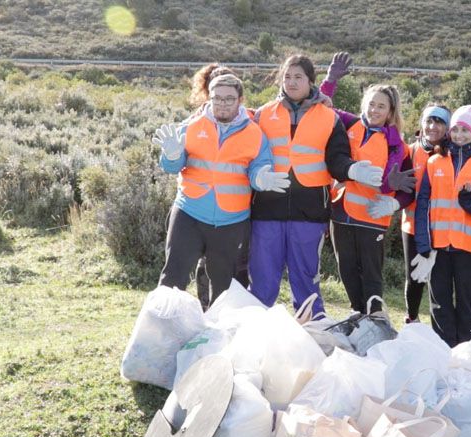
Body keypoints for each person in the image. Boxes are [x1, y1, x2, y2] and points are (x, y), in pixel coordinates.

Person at [249, 54, 383, 318]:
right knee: (263, 280)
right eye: (287, 76)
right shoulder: (263, 114)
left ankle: (312, 333)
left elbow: (337, 159)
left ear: (311, 81)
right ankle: (256, 334)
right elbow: (249, 153)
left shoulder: (328, 117)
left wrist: (352, 170)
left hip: (309, 212)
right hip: (266, 209)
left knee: (305, 280)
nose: (292, 82)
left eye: (298, 77)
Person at [152, 73, 290, 308]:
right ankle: (163, 331)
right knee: (172, 278)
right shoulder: (193, 126)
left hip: (231, 221)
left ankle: (218, 338)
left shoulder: (254, 134)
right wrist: (172, 156)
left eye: (229, 99)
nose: (222, 104)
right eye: (217, 98)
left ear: (240, 100)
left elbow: (258, 168)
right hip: (189, 213)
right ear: (210, 98)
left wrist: (262, 178)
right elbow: (173, 166)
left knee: (225, 290)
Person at [319, 55, 414, 315]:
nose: (374, 110)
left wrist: (395, 202)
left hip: (373, 218)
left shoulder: (399, 146)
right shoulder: (349, 124)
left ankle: (374, 318)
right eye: (371, 104)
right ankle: (356, 314)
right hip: (342, 214)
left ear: (391, 112)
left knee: (371, 274)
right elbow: (321, 106)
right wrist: (329, 81)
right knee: (346, 269)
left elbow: (410, 188)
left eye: (381, 106)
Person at [413, 105, 471, 347]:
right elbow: (423, 205)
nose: (460, 135)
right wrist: (423, 245)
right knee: (439, 302)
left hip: (469, 247)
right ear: (449, 133)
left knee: (466, 302)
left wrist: (468, 201)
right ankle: (444, 351)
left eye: (465, 130)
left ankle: (466, 351)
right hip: (438, 246)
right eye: (456, 130)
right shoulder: (434, 162)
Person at [186, 64, 249, 307]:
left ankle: (232, 308)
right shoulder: (196, 120)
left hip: (235, 206)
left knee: (238, 261)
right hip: (200, 204)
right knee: (206, 261)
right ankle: (207, 307)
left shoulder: (244, 116)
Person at [401, 104, 451, 324]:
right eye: (429, 121)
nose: (433, 127)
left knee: (438, 282)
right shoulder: (409, 151)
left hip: (441, 229)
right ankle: (411, 319)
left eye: (439, 122)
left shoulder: (453, 155)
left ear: (448, 128)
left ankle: (439, 330)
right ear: (421, 124)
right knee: (414, 278)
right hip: (411, 225)